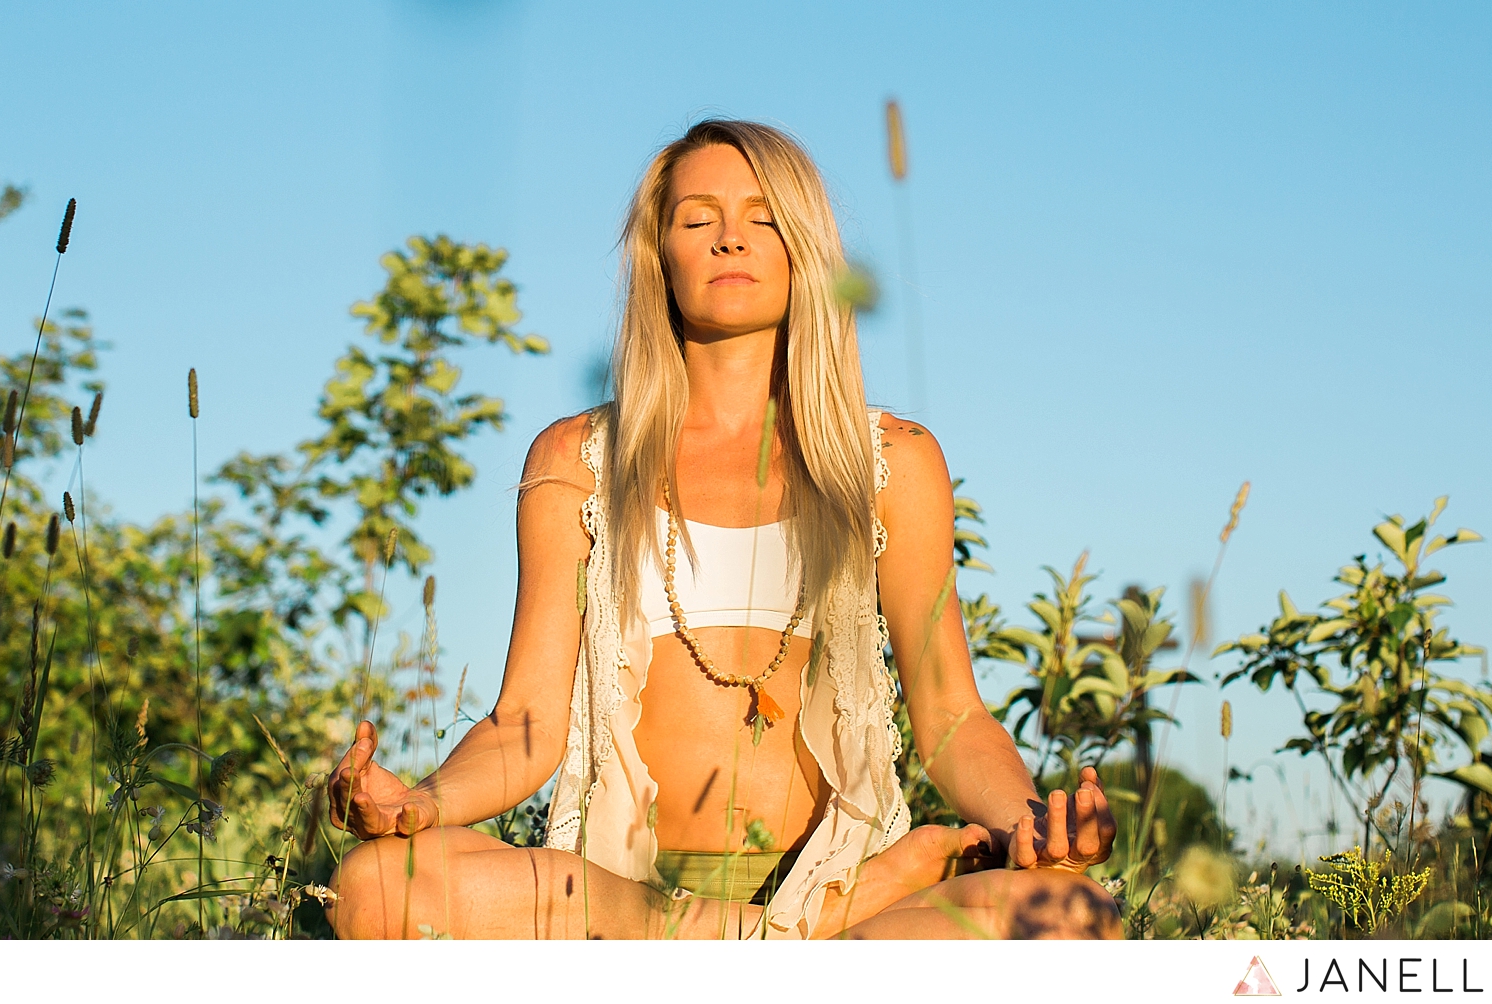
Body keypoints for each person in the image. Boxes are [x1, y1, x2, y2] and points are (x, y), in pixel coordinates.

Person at [324, 119, 1121, 940]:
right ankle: (797, 942)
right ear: (659, 256)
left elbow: (954, 716)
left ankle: (785, 931)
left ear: (803, 247)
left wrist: (1037, 827)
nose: (730, 238)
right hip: (619, 895)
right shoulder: (575, 459)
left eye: (762, 216)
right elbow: (523, 725)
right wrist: (423, 802)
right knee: (378, 885)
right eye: (698, 219)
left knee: (1073, 914)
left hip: (831, 866)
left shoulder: (893, 460)